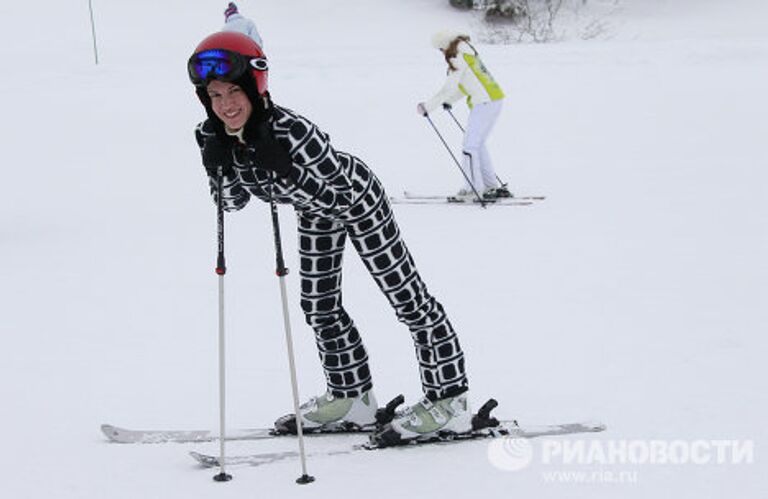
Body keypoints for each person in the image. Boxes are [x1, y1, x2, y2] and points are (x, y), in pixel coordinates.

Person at [187, 31, 472, 444]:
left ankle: (450, 401)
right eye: (215, 96)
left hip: (358, 199)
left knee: (408, 299)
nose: (226, 105)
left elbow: (338, 196)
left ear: (255, 87)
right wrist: (217, 165)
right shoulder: (211, 133)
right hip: (313, 210)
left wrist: (287, 171)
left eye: (234, 91)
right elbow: (231, 203)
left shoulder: (293, 131)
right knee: (319, 306)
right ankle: (351, 396)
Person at [417, 30, 510, 200]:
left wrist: (428, 107)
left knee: (469, 147)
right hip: (493, 99)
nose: (442, 53)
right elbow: (465, 85)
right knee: (477, 144)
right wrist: (450, 101)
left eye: (440, 49)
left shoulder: (457, 55)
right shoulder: (467, 51)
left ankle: (472, 189)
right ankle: (490, 187)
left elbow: (449, 87)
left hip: (485, 102)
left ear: (444, 45)